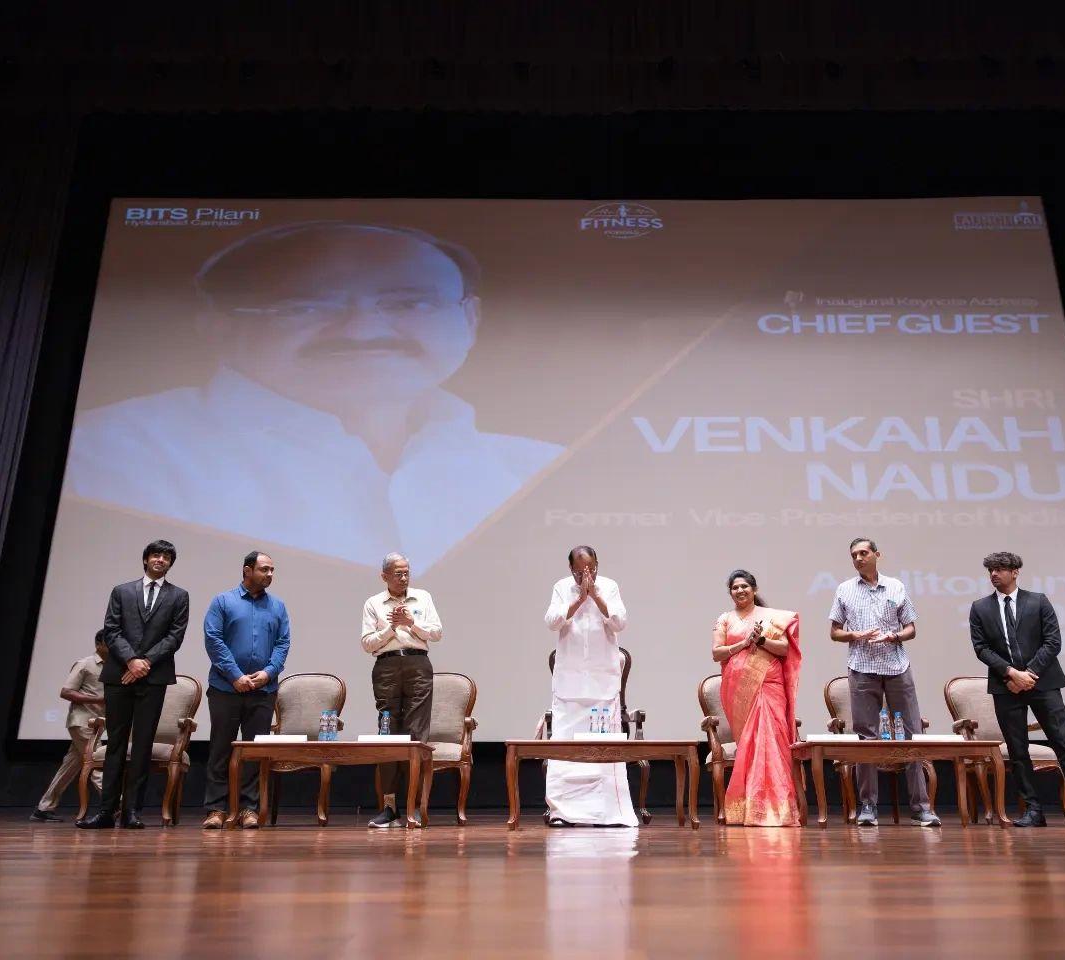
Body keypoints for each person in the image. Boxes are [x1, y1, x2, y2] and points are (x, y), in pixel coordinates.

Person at [65, 221, 562, 572]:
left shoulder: (546, 471)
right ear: (217, 326)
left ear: (470, 320)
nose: (364, 330)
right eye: (304, 305)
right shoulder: (108, 454)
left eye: (411, 302)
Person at [970, 551, 1065, 828]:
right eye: (991, 570)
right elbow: (981, 648)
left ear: (1015, 571)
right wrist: (1011, 674)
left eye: (1000, 569)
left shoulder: (1038, 601)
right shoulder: (980, 607)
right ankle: (1033, 810)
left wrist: (1028, 674)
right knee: (1018, 751)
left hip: (1044, 683)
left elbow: (1053, 642)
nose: (994, 574)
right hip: (1006, 686)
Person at [76, 540, 190, 829]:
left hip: (153, 678)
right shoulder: (122, 591)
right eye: (156, 555)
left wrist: (144, 663)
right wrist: (130, 661)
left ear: (170, 564)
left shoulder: (179, 596)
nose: (160, 560)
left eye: (166, 557)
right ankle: (105, 811)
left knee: (142, 744)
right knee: (115, 743)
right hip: (119, 675)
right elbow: (111, 630)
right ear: (145, 560)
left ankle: (132, 811)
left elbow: (174, 637)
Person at [828, 537, 940, 827]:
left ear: (877, 554)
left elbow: (911, 628)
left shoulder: (896, 586)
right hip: (862, 668)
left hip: (896, 667)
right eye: (854, 554)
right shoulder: (844, 590)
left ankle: (921, 806)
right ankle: (868, 806)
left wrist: (895, 636)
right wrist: (855, 635)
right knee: (867, 737)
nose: (859, 558)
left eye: (864, 553)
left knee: (912, 733)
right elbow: (835, 632)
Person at [542, 545, 638, 827]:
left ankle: (608, 812)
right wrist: (577, 600)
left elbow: (620, 622)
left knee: (602, 748)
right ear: (570, 569)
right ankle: (563, 811)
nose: (587, 573)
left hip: (601, 681)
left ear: (598, 564)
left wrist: (595, 596)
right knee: (565, 749)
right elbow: (552, 622)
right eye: (580, 569)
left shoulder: (609, 586)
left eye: (592, 567)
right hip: (570, 682)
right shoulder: (561, 587)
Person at [202, 551, 291, 830]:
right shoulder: (223, 601)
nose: (270, 575)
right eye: (264, 569)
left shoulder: (278, 606)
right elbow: (213, 640)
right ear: (247, 570)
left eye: (272, 570)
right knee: (220, 748)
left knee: (254, 752)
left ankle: (248, 809)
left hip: (263, 691)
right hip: (225, 688)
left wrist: (267, 674)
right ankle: (217, 809)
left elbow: (283, 644)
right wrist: (235, 676)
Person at [711, 569, 802, 827]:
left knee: (771, 744)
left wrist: (761, 640)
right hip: (739, 690)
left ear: (754, 589)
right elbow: (717, 653)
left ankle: (776, 810)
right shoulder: (725, 619)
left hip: (770, 687)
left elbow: (785, 649)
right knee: (750, 746)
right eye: (735, 587)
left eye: (744, 586)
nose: (740, 591)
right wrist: (742, 645)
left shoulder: (772, 618)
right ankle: (746, 809)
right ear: (730, 592)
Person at [360, 552, 443, 828]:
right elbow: (368, 643)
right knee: (388, 735)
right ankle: (389, 807)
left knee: (416, 734)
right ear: (384, 576)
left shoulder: (423, 597)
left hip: (418, 665)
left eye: (407, 572)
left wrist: (411, 624)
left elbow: (437, 633)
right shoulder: (373, 603)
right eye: (398, 573)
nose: (404, 577)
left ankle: (413, 806)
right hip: (386, 667)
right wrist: (391, 629)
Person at [30, 630, 108, 822]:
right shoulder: (85, 664)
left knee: (70, 766)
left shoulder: (111, 667)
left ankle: (44, 808)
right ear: (99, 644)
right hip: (82, 723)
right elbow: (66, 691)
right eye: (111, 642)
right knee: (97, 763)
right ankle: (117, 805)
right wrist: (98, 699)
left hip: (97, 724)